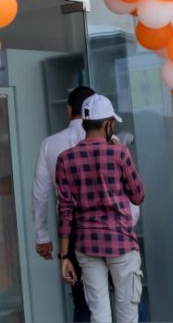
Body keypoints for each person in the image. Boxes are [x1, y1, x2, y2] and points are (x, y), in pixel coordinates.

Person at [57, 95, 145, 323]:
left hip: (86, 244)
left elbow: (65, 211)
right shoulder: (120, 154)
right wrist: (122, 154)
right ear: (108, 124)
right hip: (121, 241)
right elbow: (138, 195)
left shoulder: (65, 159)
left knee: (98, 314)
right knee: (127, 312)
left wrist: (64, 256)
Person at [33, 86, 96, 322]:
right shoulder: (109, 140)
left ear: (68, 109)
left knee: (83, 298)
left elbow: (40, 193)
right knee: (126, 294)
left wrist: (42, 236)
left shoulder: (50, 144)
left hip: (72, 228)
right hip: (111, 223)